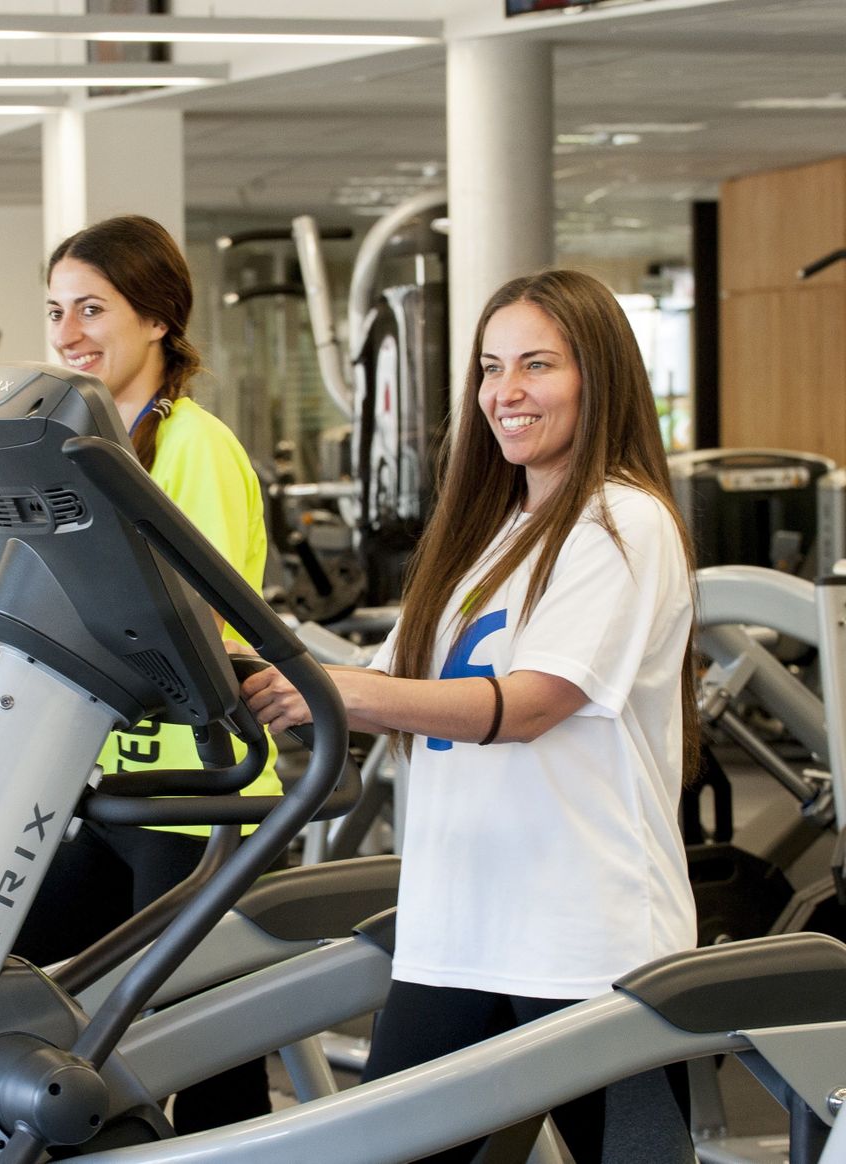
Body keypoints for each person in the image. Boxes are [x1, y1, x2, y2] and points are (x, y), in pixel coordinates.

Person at [245, 268, 698, 1162]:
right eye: (492, 368)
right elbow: (386, 690)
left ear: (597, 378)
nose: (506, 392)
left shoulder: (622, 523)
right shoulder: (485, 535)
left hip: (587, 940)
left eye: (538, 365)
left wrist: (340, 689)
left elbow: (531, 705)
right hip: (456, 927)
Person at [0, 214, 276, 1134]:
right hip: (115, 784)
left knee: (208, 1055)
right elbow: (73, 596)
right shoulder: (85, 448)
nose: (67, 334)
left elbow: (196, 620)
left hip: (199, 795)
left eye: (93, 308)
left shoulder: (195, 446)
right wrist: (12, 630)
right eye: (57, 311)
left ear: (158, 318)